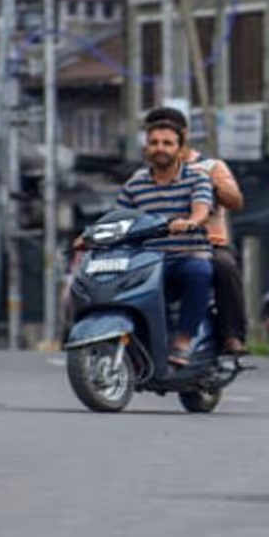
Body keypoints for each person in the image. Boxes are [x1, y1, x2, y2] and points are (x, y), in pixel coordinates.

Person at [142, 107, 249, 355]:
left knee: (224, 266)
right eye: (154, 136)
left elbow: (236, 201)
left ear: (183, 134)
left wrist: (209, 183)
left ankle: (232, 335)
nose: (160, 144)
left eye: (168, 135)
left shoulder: (209, 166)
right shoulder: (146, 173)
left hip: (208, 245)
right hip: (158, 247)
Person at [116, 119, 214, 366]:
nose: (160, 148)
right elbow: (118, 218)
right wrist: (88, 237)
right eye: (154, 143)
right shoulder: (134, 184)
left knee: (199, 271)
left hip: (184, 256)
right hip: (145, 261)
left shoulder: (197, 179)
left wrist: (191, 221)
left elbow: (202, 209)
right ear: (146, 148)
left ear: (180, 149)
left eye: (167, 143)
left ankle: (183, 341)